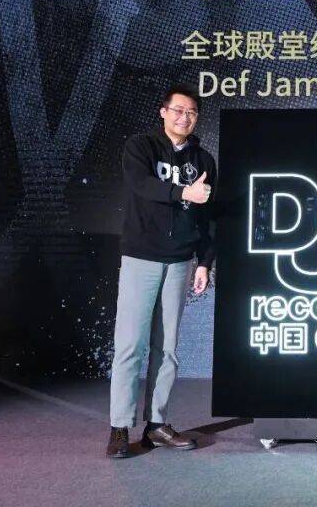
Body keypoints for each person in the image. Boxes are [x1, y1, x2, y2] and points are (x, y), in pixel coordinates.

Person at [106, 85, 216, 458]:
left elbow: (207, 217)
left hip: (180, 261)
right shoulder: (141, 147)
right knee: (130, 345)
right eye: (178, 110)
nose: (185, 117)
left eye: (192, 112)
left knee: (167, 348)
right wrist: (184, 193)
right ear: (163, 112)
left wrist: (205, 261)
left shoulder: (203, 159)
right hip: (141, 257)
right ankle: (120, 427)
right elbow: (142, 185)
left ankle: (156, 425)